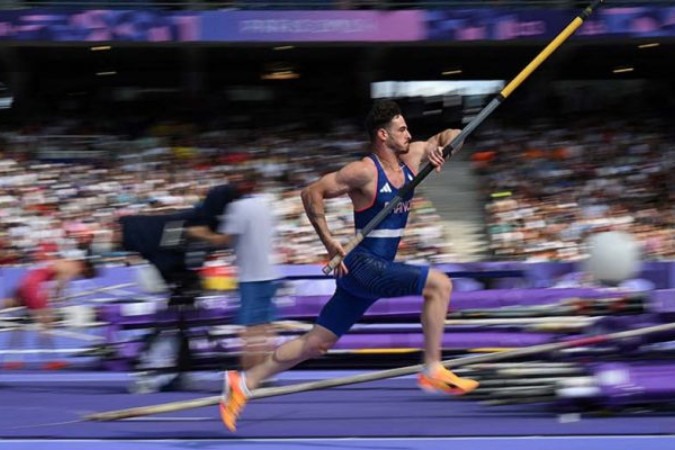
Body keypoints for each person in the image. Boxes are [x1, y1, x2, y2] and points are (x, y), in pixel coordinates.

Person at [219, 99, 479, 432]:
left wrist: (443, 146)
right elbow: (311, 193)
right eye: (401, 129)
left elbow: (451, 135)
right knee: (440, 284)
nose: (408, 134)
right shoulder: (364, 171)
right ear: (382, 135)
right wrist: (329, 241)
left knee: (316, 343)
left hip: (370, 272)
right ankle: (431, 368)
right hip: (362, 265)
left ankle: (242, 383)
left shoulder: (414, 156)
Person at [187, 169, 280, 372]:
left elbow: (224, 239)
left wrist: (197, 233)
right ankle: (266, 372)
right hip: (270, 273)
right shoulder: (264, 205)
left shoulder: (238, 208)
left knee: (250, 329)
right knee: (265, 326)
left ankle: (248, 376)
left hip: (251, 276)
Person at [2, 256, 98, 370]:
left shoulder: (63, 261)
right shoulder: (74, 266)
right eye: (85, 275)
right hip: (33, 284)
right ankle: (51, 360)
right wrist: (59, 298)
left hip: (25, 281)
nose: (81, 276)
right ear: (86, 268)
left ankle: (12, 361)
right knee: (46, 323)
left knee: (17, 321)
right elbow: (60, 283)